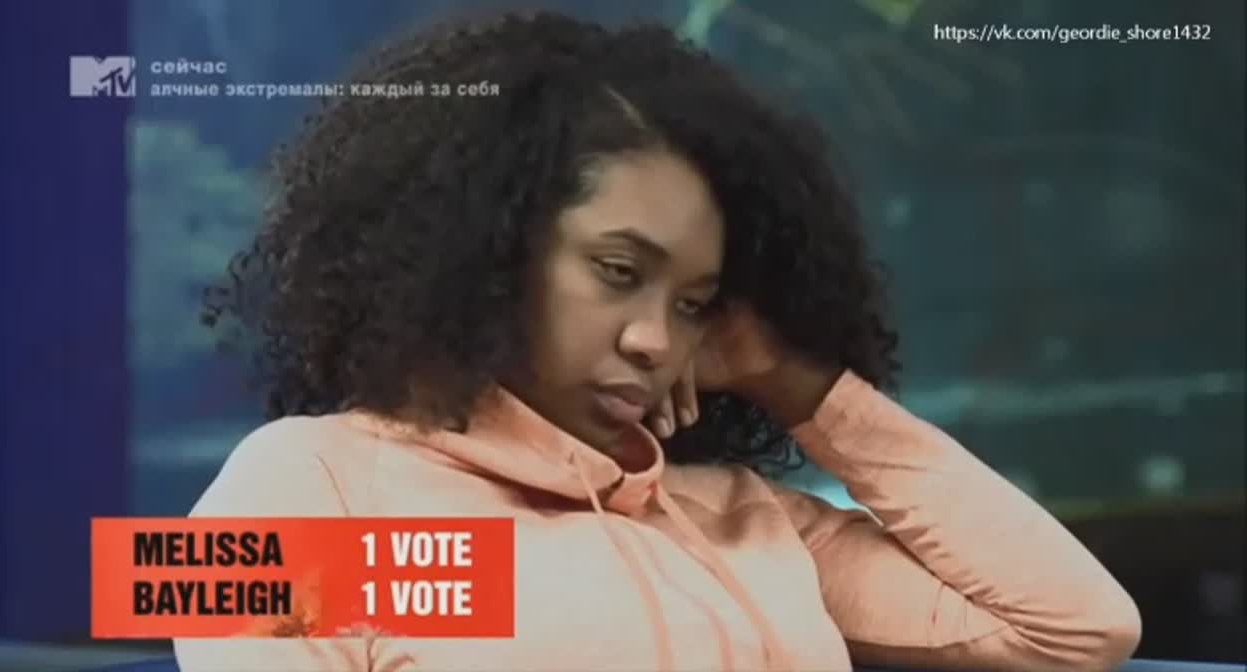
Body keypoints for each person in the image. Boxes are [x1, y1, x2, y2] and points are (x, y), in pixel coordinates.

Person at [179, 10, 1142, 672]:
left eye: (694, 305)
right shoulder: (318, 483)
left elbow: (1079, 630)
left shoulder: (739, 517)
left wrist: (796, 384)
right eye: (617, 270)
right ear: (485, 246)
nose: (654, 340)